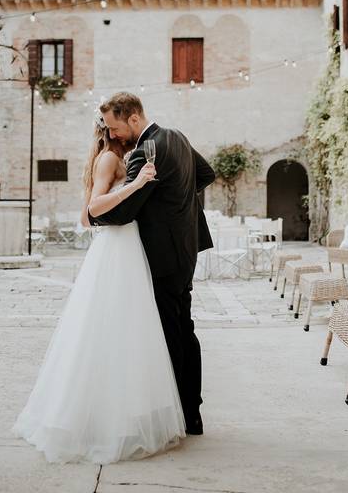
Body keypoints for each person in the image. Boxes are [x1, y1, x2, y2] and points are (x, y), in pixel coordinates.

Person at [13, 109, 189, 464]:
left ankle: (124, 416)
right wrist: (138, 185)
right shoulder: (110, 158)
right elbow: (91, 211)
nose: (119, 132)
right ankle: (101, 423)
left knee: (128, 334)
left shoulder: (122, 156)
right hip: (115, 249)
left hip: (128, 247)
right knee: (107, 330)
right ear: (109, 131)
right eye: (113, 127)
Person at [88, 92, 216, 436]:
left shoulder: (147, 150)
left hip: (162, 255)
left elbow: (124, 211)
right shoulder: (177, 137)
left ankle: (183, 415)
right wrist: (178, 201)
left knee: (170, 334)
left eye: (115, 127)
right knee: (184, 328)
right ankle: (193, 411)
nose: (112, 134)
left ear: (133, 119)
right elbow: (206, 173)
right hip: (186, 249)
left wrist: (96, 216)